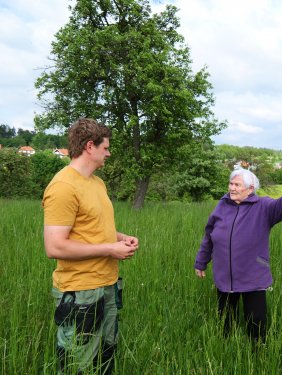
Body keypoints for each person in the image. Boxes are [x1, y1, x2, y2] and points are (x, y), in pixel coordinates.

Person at [42, 118, 139, 374]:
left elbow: (94, 228)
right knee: (78, 363)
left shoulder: (97, 183)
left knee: (105, 356)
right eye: (105, 148)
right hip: (80, 292)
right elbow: (55, 247)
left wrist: (120, 238)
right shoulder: (63, 186)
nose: (108, 152)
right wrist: (109, 249)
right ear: (89, 146)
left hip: (108, 284)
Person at [194, 169, 282, 344]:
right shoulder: (222, 206)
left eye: (237, 185)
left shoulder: (263, 206)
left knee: (256, 320)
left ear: (250, 189)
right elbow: (209, 236)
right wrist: (201, 262)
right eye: (231, 184)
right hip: (225, 274)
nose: (232, 188)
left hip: (252, 272)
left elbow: (280, 205)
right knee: (225, 318)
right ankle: (226, 345)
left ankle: (258, 350)